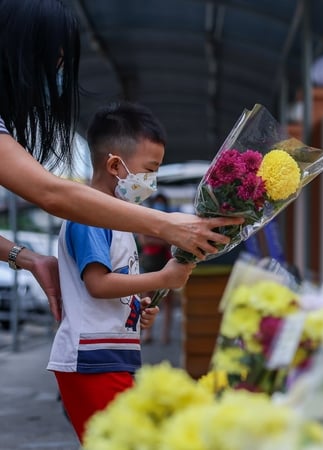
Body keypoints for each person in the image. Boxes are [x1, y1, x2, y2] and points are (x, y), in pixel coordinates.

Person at [0, 0, 241, 322]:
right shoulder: (91, 221)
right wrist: (167, 225)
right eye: (53, 63)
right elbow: (52, 194)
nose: (57, 77)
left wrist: (26, 258)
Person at [47, 102, 195, 443]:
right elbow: (98, 284)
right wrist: (163, 279)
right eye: (149, 170)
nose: (152, 182)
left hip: (107, 357)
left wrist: (136, 307)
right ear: (115, 164)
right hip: (92, 361)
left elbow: (110, 284)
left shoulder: (116, 217)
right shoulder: (90, 216)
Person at [138, 193, 177, 345]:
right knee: (148, 298)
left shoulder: (169, 220)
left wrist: (158, 240)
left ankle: (165, 334)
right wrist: (163, 239)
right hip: (151, 263)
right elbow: (144, 241)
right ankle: (148, 332)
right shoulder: (148, 220)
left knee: (167, 300)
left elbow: (172, 240)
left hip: (165, 261)